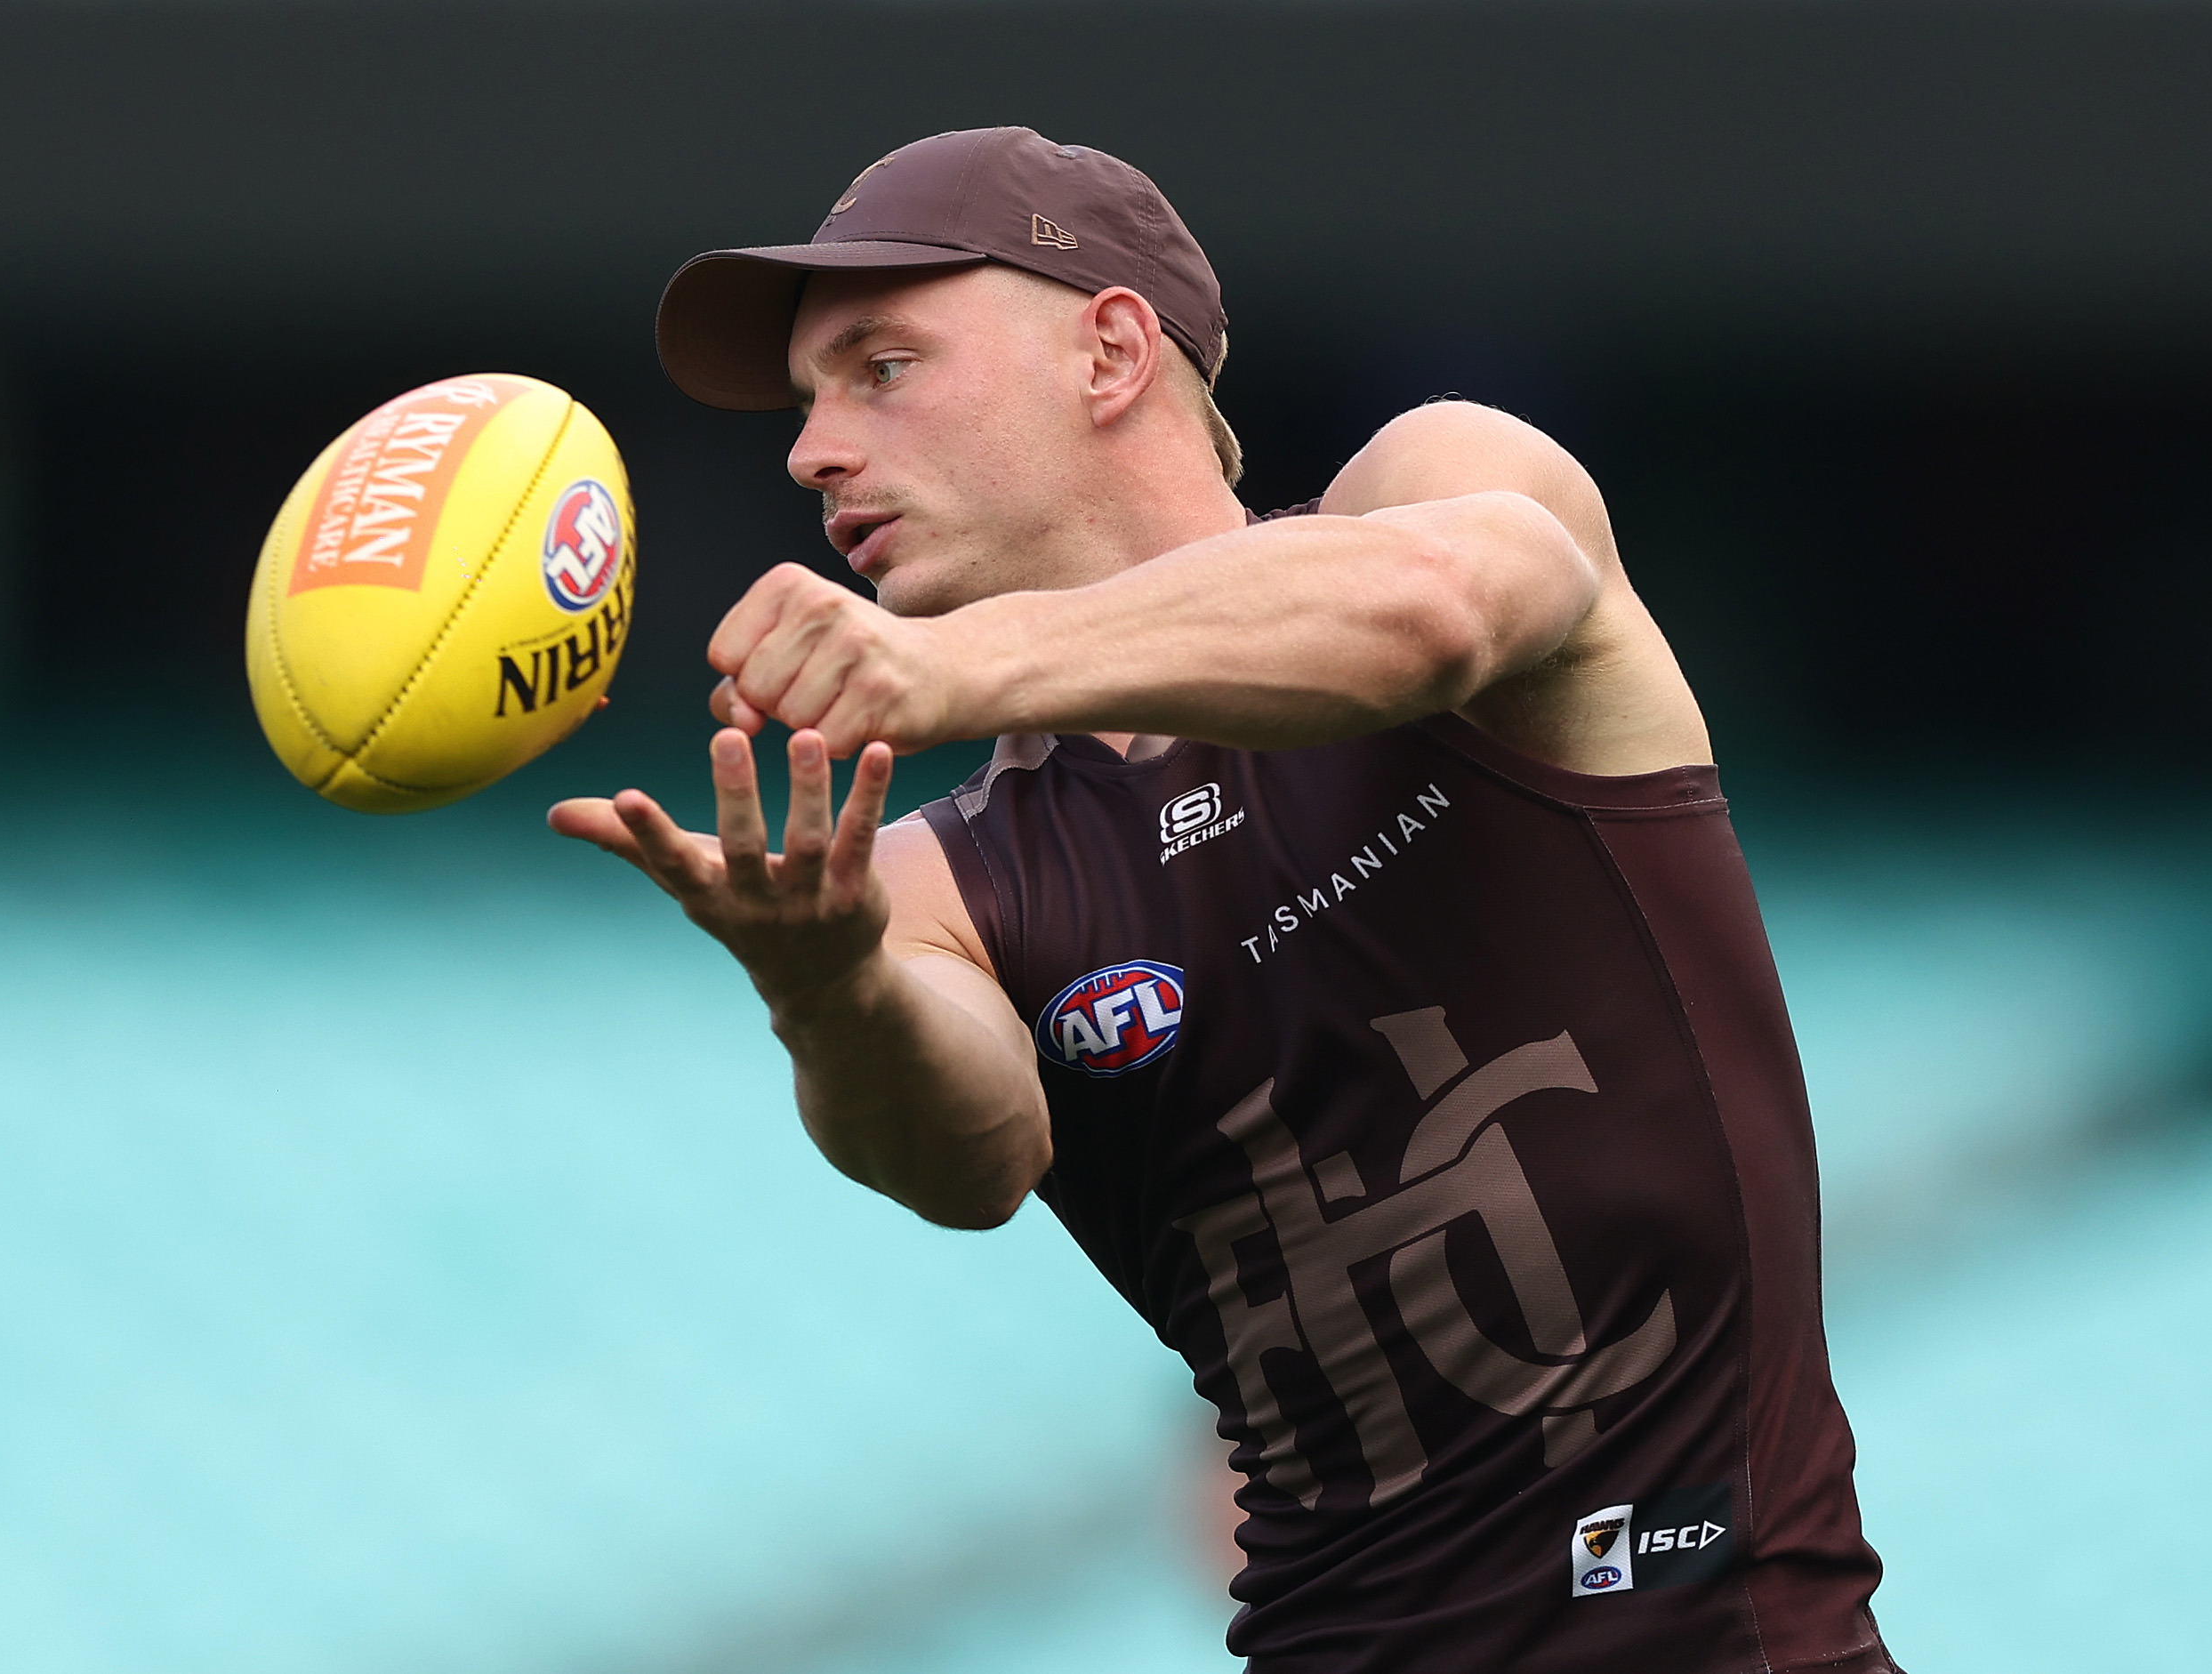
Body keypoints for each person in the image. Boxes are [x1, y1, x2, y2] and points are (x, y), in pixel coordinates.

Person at [551, 126, 1897, 1673]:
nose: (811, 451)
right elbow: (970, 1158)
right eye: (808, 400)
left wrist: (953, 668)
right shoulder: (938, 876)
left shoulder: (1441, 482)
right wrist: (824, 983)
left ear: (1112, 349)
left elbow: (1439, 609)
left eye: (882, 366)